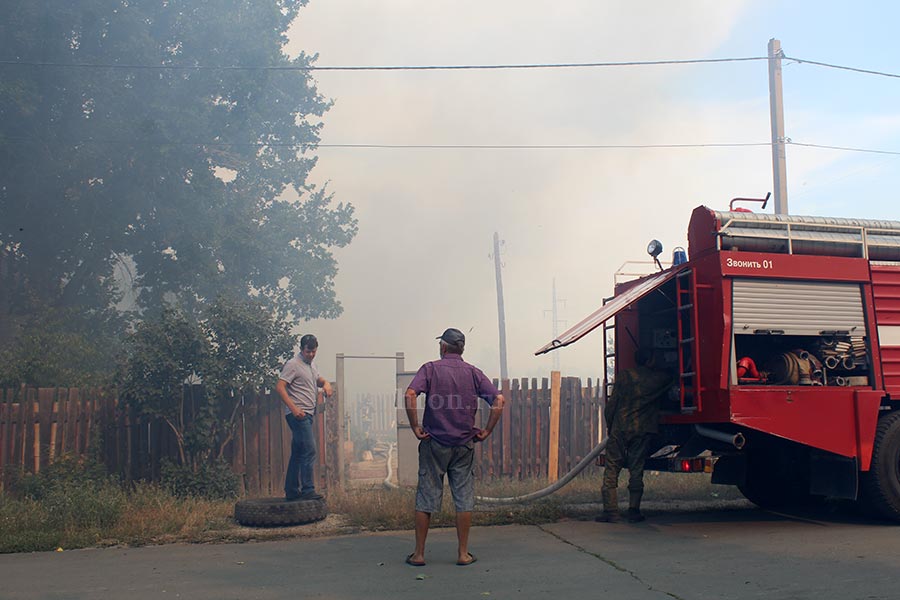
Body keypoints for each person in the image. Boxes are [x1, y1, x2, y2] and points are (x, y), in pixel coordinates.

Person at [404, 328, 504, 567]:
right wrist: (487, 431)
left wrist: (415, 427)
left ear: (443, 347)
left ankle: (419, 554)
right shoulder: (473, 373)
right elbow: (499, 400)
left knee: (426, 496)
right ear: (461, 349)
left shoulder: (430, 369)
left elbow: (409, 395)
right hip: (463, 445)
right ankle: (462, 553)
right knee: (463, 498)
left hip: (434, 443)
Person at [597, 347, 673, 523]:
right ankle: (634, 510)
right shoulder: (658, 379)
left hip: (620, 427)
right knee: (636, 469)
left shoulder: (624, 376)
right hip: (642, 430)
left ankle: (611, 511)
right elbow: (672, 377)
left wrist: (611, 426)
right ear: (650, 361)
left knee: (612, 469)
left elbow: (611, 405)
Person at [276, 334, 332, 502]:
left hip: (308, 414)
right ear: (301, 349)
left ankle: (291, 491)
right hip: (298, 415)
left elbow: (318, 379)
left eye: (314, 351)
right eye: (308, 352)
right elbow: (280, 386)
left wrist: (326, 384)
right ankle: (308, 489)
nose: (311, 355)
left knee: (298, 453)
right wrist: (293, 408)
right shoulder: (293, 364)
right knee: (309, 449)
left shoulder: (311, 365)